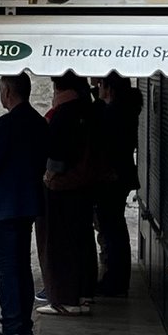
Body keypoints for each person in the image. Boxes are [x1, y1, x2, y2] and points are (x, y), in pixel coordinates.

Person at [0, 74, 49, 335]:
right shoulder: (38, 122)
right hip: (27, 204)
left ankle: (11, 328)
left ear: (7, 92)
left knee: (7, 269)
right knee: (21, 267)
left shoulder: (6, 124)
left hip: (4, 206)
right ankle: (24, 328)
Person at [39, 71, 100, 316]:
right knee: (82, 239)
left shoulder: (65, 113)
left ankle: (66, 298)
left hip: (64, 187)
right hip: (85, 185)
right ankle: (84, 293)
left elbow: (58, 151)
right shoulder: (90, 109)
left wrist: (50, 175)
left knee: (60, 243)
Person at [92, 74, 141, 298]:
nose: (97, 88)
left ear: (108, 88)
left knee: (112, 230)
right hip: (119, 176)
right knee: (114, 229)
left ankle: (115, 280)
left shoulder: (114, 114)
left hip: (111, 177)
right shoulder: (124, 110)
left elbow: (105, 142)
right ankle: (116, 279)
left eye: (100, 85)